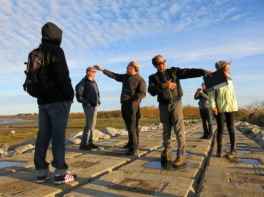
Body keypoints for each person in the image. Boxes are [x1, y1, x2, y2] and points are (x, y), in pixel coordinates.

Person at [148, 55, 213, 166]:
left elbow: (189, 72)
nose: (163, 64)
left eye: (164, 61)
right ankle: (167, 150)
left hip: (176, 104)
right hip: (163, 105)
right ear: (155, 65)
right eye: (160, 63)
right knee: (166, 129)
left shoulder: (174, 71)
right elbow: (151, 90)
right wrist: (163, 85)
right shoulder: (153, 77)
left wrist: (204, 72)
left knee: (179, 131)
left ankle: (181, 155)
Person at [34, 22, 77, 185]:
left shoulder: (35, 52)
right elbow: (63, 76)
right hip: (58, 101)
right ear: (56, 36)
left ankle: (41, 172)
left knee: (42, 136)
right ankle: (60, 173)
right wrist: (69, 96)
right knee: (58, 137)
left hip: (42, 101)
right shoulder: (56, 51)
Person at [94, 61, 146, 156]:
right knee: (128, 125)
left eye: (128, 66)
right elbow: (114, 75)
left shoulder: (140, 80)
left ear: (132, 67)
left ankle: (134, 148)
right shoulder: (126, 77)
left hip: (133, 105)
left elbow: (143, 94)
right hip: (124, 104)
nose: (126, 67)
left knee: (132, 127)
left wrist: (131, 98)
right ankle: (130, 143)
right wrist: (102, 70)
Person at [208, 61, 237, 158]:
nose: (229, 70)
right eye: (227, 68)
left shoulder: (230, 80)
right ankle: (219, 149)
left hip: (231, 106)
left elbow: (232, 95)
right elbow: (211, 96)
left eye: (229, 68)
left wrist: (234, 105)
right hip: (219, 107)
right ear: (221, 69)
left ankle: (233, 149)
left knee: (231, 128)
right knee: (220, 129)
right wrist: (213, 107)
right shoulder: (214, 79)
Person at [77, 67, 100, 150]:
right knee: (89, 124)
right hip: (88, 106)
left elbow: (97, 93)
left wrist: (98, 101)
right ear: (88, 72)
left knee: (92, 125)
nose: (95, 73)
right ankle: (83, 144)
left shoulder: (94, 82)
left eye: (95, 72)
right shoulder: (84, 82)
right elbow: (79, 94)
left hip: (94, 106)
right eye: (93, 71)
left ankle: (90, 142)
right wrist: (87, 103)